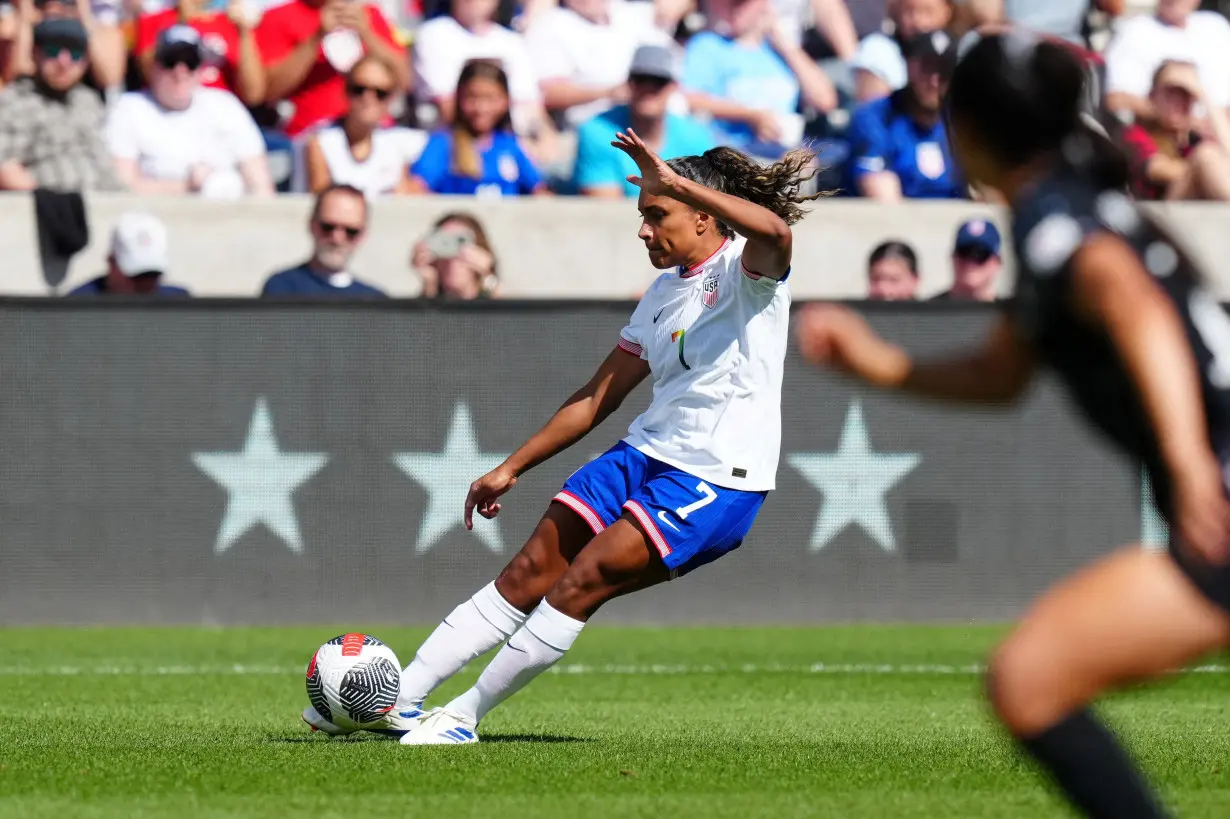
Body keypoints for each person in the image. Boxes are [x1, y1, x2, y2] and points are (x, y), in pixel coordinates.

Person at [796, 32, 1230, 819]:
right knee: (1031, 679)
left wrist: (1192, 461)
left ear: (968, 131)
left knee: (1031, 678)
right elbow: (1003, 378)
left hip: (1222, 493)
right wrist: (877, 365)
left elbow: (1130, 301)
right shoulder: (1065, 201)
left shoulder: (1056, 220)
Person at [302, 133, 818, 743]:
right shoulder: (661, 294)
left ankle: (462, 718)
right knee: (526, 572)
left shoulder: (748, 275)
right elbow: (598, 396)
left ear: (703, 214)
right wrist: (511, 466)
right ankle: (397, 700)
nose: (644, 231)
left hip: (713, 479)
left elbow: (779, 235)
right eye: (643, 216)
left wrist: (675, 180)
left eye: (657, 214)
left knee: (582, 580)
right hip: (642, 455)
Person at [105, 25, 274, 198]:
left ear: (200, 68)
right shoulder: (129, 109)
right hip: (159, 216)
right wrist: (189, 187)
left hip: (231, 215)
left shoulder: (225, 105)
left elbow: (261, 183)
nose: (180, 71)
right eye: (170, 61)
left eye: (190, 61)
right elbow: (121, 188)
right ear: (154, 66)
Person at [682, 0, 837, 159]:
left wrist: (785, 44)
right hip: (732, 149)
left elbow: (825, 101)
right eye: (731, 3)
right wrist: (751, 115)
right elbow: (690, 99)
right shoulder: (708, 45)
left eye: (744, 3)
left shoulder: (780, 52)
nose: (736, 9)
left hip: (782, 148)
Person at [574, 44, 713, 198]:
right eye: (640, 79)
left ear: (673, 87)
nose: (648, 89)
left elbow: (703, 204)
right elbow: (604, 207)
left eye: (658, 81)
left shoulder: (695, 137)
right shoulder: (597, 131)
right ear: (628, 83)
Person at [0, 18, 122, 192]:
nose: (63, 62)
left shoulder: (89, 100)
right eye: (53, 51)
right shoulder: (15, 100)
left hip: (104, 202)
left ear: (86, 61)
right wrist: (50, 203)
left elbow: (112, 167)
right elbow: (4, 167)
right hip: (44, 208)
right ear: (35, 53)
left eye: (75, 54)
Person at [255, 0, 408, 138]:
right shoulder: (279, 17)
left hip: (374, 133)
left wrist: (366, 34)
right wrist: (316, 37)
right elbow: (269, 91)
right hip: (309, 135)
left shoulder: (369, 15)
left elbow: (405, 80)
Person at [847, 30, 964, 201]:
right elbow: (884, 201)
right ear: (908, 67)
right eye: (926, 67)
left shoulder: (962, 123)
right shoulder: (877, 117)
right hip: (892, 224)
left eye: (944, 69)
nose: (934, 80)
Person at [408, 59, 546, 196]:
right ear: (459, 99)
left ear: (505, 101)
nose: (480, 108)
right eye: (472, 98)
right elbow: (417, 189)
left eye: (489, 99)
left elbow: (539, 190)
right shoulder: (443, 143)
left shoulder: (510, 145)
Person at [296, 56, 427, 196]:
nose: (368, 99)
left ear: (390, 99)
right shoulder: (321, 141)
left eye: (380, 93)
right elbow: (323, 201)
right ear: (346, 91)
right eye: (359, 89)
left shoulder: (398, 144)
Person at [1103, 0, 1230, 126]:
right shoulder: (1138, 31)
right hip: (1172, 138)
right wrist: (1187, 122)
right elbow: (1116, 99)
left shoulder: (1216, 27)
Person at [1122, 59, 1230, 203]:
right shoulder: (1135, 134)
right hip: (1157, 216)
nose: (1178, 101)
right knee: (1206, 155)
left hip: (1198, 214)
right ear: (1153, 95)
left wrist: (1206, 97)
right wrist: (1204, 166)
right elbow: (1158, 170)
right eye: (1171, 92)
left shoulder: (1193, 140)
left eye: (1186, 94)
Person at [262, 184, 387, 297]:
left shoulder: (375, 301)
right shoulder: (281, 288)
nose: (337, 239)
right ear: (312, 225)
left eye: (350, 232)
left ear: (362, 236)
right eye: (328, 227)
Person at [133, 0, 265, 105]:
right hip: (171, 112)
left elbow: (253, 94)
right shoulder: (153, 21)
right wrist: (182, 22)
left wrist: (245, 32)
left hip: (220, 114)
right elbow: (150, 74)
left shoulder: (231, 23)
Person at [850, 0, 951, 103]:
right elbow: (872, 111)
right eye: (909, 12)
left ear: (946, 12)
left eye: (927, 11)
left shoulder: (957, 50)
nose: (918, 22)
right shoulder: (879, 50)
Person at [69, 212, 191, 296]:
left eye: (153, 274)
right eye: (137, 276)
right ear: (111, 263)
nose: (146, 285)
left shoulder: (181, 305)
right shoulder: (76, 309)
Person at [411, 211, 500, 299]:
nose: (452, 256)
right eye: (444, 243)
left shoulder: (490, 295)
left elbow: (498, 310)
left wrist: (488, 274)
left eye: (460, 241)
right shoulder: (430, 290)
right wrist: (429, 284)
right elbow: (425, 312)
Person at [929, 218, 1001, 301]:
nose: (971, 262)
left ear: (996, 263)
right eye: (965, 252)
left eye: (980, 254)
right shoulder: (928, 311)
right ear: (953, 258)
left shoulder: (1008, 312)